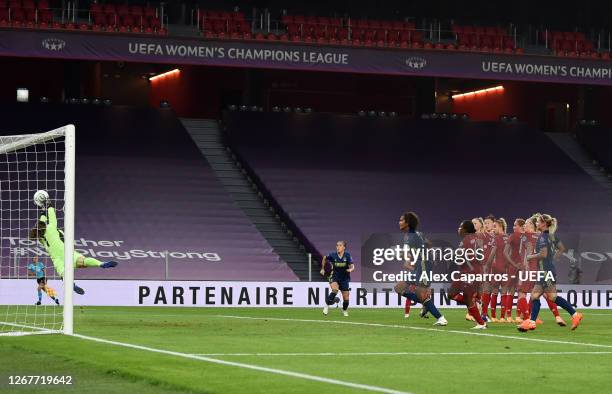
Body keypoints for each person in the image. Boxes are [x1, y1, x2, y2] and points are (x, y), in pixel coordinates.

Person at [29, 199, 118, 295]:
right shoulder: (51, 227)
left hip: (57, 259)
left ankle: (72, 284)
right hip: (66, 252)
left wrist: (42, 211)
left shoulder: (41, 239)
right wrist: (49, 205)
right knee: (82, 261)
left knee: (64, 274)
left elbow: (41, 224)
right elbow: (51, 216)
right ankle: (101, 264)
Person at [518, 214, 583, 332]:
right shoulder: (552, 236)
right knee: (552, 297)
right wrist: (554, 258)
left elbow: (543, 254)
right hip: (548, 270)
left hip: (545, 272)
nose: (536, 223)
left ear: (544, 224)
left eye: (538, 222)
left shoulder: (543, 237)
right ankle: (575, 315)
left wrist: (530, 256)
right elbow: (562, 248)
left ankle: (531, 322)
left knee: (535, 296)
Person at [393, 212, 448, 326]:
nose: (399, 222)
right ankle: (427, 304)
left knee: (420, 294)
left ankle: (440, 318)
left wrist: (405, 256)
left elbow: (404, 253)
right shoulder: (417, 234)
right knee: (398, 288)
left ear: (407, 223)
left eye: (401, 220)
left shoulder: (410, 236)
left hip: (423, 264)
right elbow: (429, 243)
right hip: (420, 264)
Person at [448, 220, 487, 329]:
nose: (459, 229)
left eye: (461, 227)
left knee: (463, 297)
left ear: (465, 229)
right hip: (472, 272)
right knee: (452, 294)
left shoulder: (466, 240)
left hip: (469, 273)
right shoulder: (477, 238)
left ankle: (481, 323)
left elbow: (459, 259)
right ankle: (476, 308)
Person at [322, 241, 354, 317]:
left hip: (344, 278)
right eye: (337, 245)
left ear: (344, 247)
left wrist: (351, 269)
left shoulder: (347, 255)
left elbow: (352, 265)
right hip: (334, 277)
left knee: (346, 298)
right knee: (335, 290)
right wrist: (322, 268)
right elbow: (324, 258)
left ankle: (344, 310)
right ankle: (326, 306)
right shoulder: (333, 255)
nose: (338, 247)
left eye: (340, 245)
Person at [503, 218, 526, 323]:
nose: (513, 227)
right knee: (511, 290)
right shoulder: (512, 236)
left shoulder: (526, 236)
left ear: (521, 226)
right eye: (513, 225)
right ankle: (508, 315)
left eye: (515, 225)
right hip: (513, 267)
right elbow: (505, 252)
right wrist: (513, 264)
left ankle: (518, 315)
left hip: (523, 267)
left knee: (520, 291)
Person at [489, 218, 509, 322]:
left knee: (495, 291)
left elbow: (492, 254)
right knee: (504, 291)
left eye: (495, 226)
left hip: (496, 268)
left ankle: (493, 316)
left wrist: (487, 265)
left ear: (500, 226)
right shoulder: (509, 238)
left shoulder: (496, 239)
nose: (493, 229)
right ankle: (502, 317)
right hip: (506, 268)